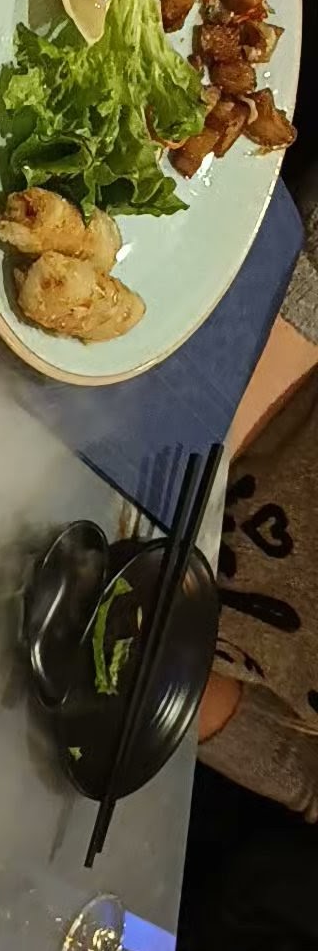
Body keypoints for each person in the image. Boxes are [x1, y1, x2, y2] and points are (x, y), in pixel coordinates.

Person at [198, 206, 318, 819]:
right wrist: (192, 455)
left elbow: (306, 776)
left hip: (142, 604)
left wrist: (163, 685)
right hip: (182, 394)